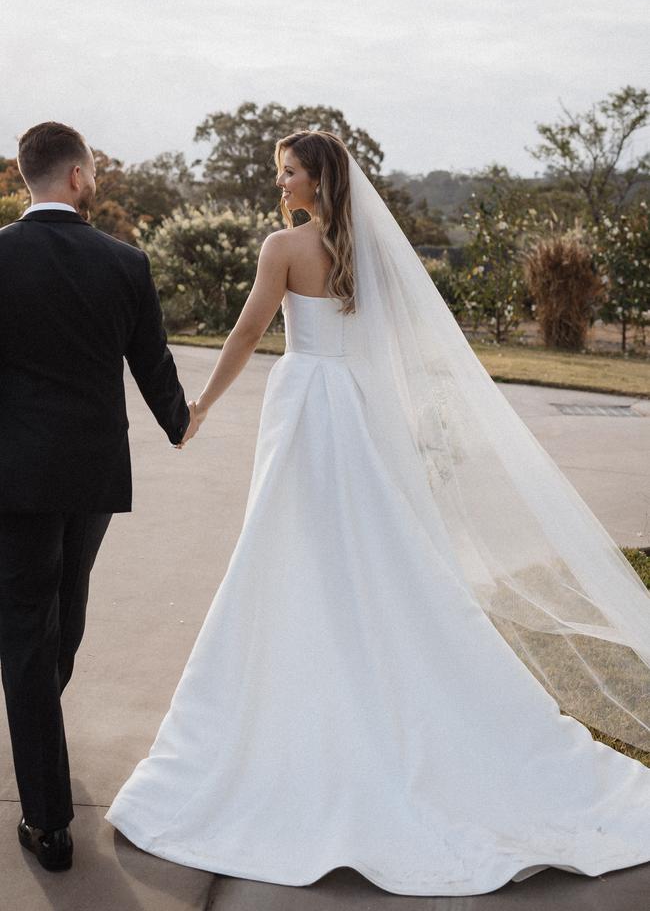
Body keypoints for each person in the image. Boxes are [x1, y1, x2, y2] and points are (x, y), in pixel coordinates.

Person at [106, 130, 650, 897]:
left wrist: (199, 407)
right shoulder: (367, 251)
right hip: (356, 411)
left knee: (288, 552)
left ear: (317, 179)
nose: (281, 183)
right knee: (375, 554)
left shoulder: (284, 248)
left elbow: (249, 332)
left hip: (304, 409)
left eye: (288, 171)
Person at [0, 121, 196, 872]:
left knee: (27, 628)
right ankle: (46, 796)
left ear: (27, 178)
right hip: (89, 476)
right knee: (61, 616)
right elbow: (153, 362)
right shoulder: (125, 262)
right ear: (77, 177)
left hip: (12, 476)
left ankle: (43, 791)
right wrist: (182, 422)